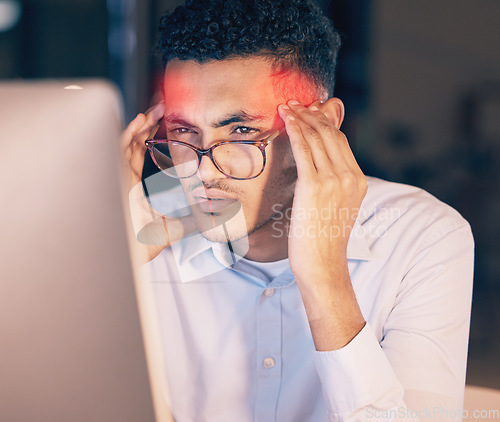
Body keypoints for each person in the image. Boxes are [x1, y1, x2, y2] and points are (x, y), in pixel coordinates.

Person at [121, 0, 474, 420]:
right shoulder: (141, 224)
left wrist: (324, 278)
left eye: (241, 131)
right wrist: (110, 268)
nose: (199, 171)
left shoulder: (421, 236)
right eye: (183, 131)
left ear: (323, 125)